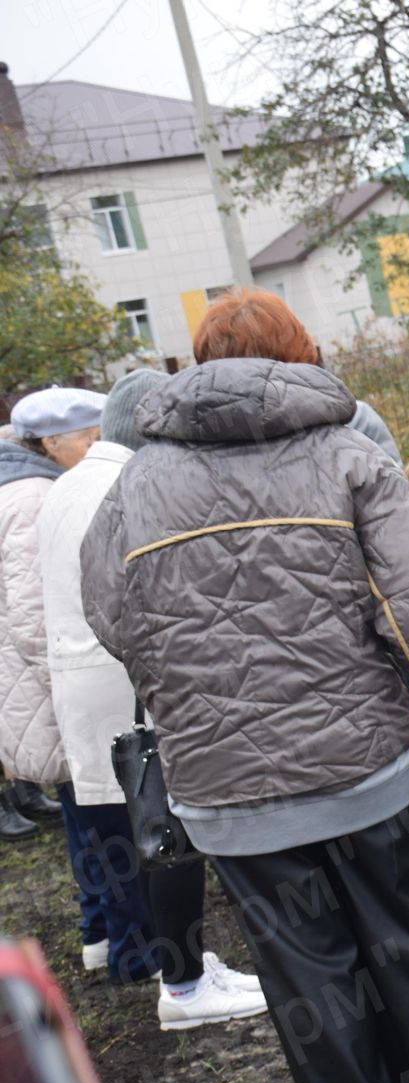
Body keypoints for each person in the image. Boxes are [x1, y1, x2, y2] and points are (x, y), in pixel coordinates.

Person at [79, 288, 409, 1083]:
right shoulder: (347, 455)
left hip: (227, 793)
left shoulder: (134, 487)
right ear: (297, 353)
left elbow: (113, 618)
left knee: (306, 981)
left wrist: (196, 678)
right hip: (362, 770)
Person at [38, 367, 268, 1030]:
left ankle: (186, 968)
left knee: (142, 839)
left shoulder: (69, 485)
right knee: (170, 837)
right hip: (129, 686)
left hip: (88, 687)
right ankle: (187, 984)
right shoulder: (124, 484)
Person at [2, 388, 155, 981]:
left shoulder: (27, 490)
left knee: (88, 816)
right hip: (47, 690)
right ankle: (126, 947)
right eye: (85, 438)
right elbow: (32, 619)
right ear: (50, 443)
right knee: (102, 820)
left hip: (45, 688)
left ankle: (99, 933)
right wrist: (67, 683)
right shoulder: (30, 500)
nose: (95, 448)